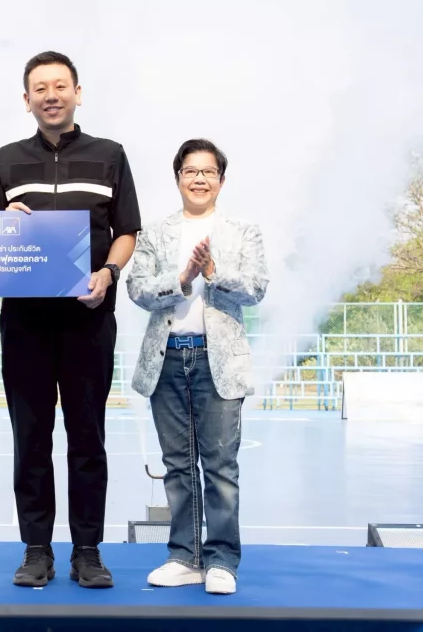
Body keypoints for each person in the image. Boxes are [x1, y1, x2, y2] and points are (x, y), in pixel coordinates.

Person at [0, 51, 141, 589]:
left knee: (87, 437)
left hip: (88, 321)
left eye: (59, 86)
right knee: (30, 437)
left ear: (77, 92)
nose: (50, 96)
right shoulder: (7, 160)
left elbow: (127, 230)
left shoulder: (110, 155)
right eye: (40, 88)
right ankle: (36, 550)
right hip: (24, 323)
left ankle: (88, 551)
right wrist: (1, 220)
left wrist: (108, 274)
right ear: (26, 99)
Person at [126, 138, 268, 595]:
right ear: (178, 178)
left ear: (221, 181)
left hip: (218, 360)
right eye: (191, 171)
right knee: (177, 465)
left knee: (221, 466)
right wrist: (182, 279)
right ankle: (184, 557)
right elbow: (137, 289)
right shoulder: (155, 232)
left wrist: (212, 273)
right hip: (166, 357)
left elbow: (256, 288)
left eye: (208, 172)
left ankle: (222, 560)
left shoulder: (243, 231)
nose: (199, 179)